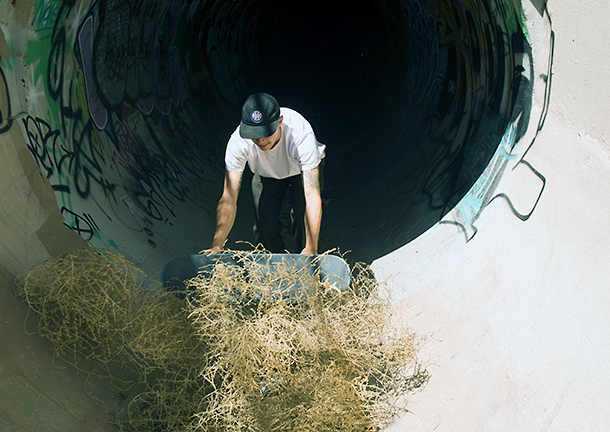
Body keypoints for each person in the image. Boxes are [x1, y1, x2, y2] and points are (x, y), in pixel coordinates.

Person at [207, 92, 325, 255]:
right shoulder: (239, 141)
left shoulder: (300, 134)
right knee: (265, 227)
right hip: (266, 174)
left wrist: (311, 248)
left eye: (266, 132)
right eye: (255, 135)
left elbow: (312, 195)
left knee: (301, 218)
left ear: (280, 122)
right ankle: (275, 268)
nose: (261, 140)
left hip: (300, 172)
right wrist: (217, 245)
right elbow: (229, 198)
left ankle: (304, 263)